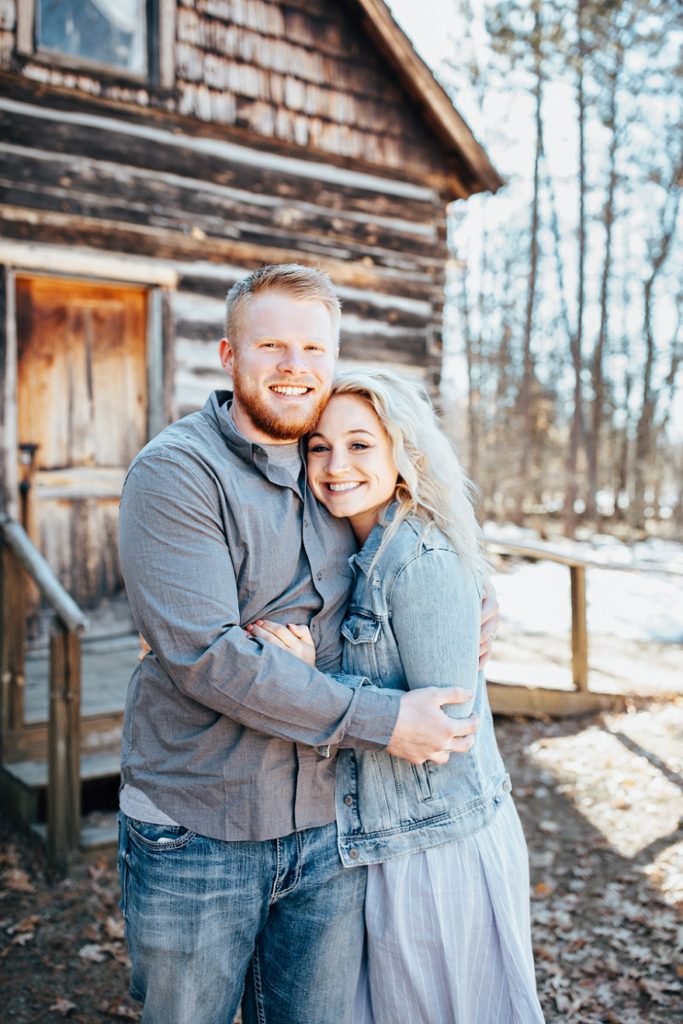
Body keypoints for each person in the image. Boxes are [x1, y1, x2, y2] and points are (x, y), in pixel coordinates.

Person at [116, 264, 497, 1024]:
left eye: (313, 350)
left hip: (330, 828)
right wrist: (384, 721)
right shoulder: (176, 474)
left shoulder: (338, 471)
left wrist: (471, 594)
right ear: (229, 356)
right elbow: (210, 660)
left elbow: (410, 555)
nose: (295, 369)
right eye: (272, 347)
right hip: (199, 824)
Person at [249, 369, 545, 1024]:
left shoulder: (421, 559)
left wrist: (309, 683)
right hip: (383, 837)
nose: (335, 465)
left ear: (401, 454)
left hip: (438, 848)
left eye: (360, 445)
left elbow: (446, 731)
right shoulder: (350, 547)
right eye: (319, 447)